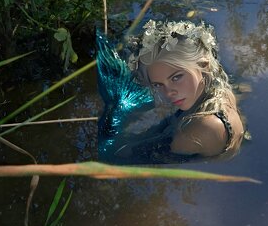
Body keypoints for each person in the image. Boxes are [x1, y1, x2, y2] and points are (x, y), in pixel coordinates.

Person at [96, 19, 245, 164]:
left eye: (176, 77)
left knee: (108, 153)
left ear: (204, 65)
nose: (168, 93)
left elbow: (127, 156)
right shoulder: (218, 88)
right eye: (158, 84)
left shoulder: (202, 128)